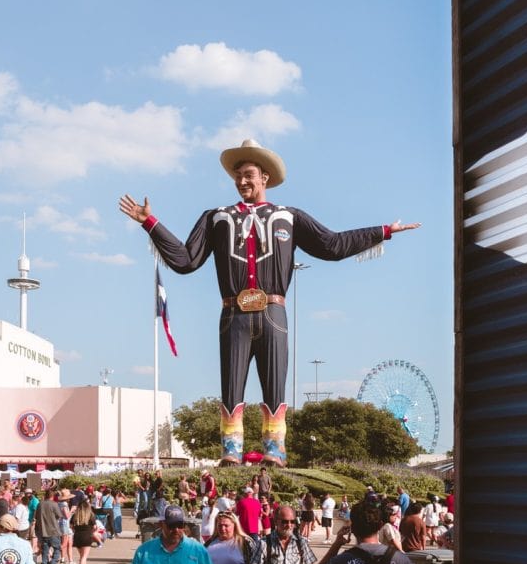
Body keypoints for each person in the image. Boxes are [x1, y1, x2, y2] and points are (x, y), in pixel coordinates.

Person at [120, 138, 420, 465]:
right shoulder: (216, 218)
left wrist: (383, 231)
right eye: (238, 176)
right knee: (231, 383)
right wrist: (150, 223)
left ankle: (274, 449)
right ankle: (231, 449)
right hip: (233, 313)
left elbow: (331, 244)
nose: (242, 181)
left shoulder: (288, 217)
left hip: (273, 312)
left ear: (265, 177)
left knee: (274, 383)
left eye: (248, 174)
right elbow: (186, 260)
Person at [35, 491, 62, 564]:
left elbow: (36, 516)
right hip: (53, 530)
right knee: (57, 549)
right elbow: (59, 515)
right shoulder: (54, 504)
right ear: (52, 496)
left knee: (45, 551)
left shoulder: (40, 504)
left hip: (43, 531)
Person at [71, 499, 95, 564]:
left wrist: (75, 529)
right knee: (84, 555)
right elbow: (94, 526)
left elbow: (71, 526)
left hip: (77, 536)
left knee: (82, 555)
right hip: (87, 536)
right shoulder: (90, 515)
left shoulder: (75, 515)